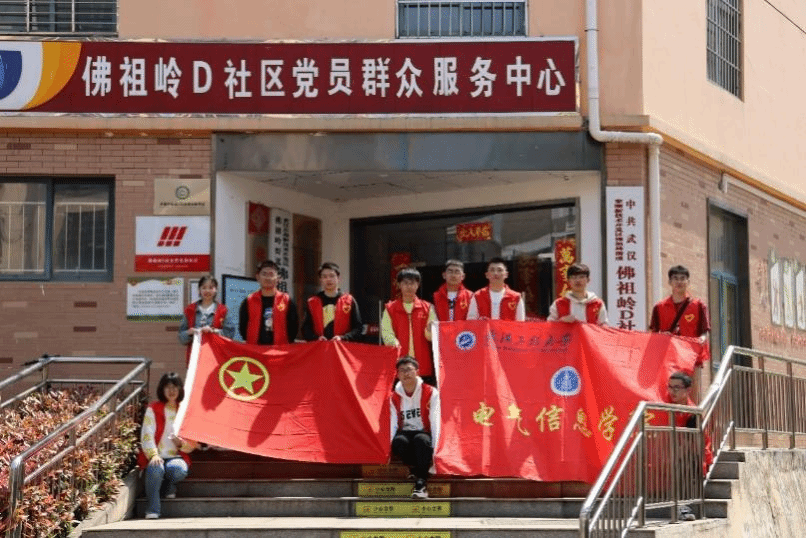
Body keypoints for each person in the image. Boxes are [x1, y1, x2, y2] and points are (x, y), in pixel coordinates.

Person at [139, 372, 197, 519]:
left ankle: (168, 485)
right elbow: (147, 434)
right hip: (157, 456)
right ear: (162, 389)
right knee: (156, 468)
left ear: (180, 389)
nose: (172, 391)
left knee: (179, 470)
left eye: (175, 387)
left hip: (175, 457)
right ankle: (153, 509)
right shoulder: (154, 408)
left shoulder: (184, 410)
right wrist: (153, 455)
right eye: (168, 387)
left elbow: (193, 443)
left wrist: (181, 444)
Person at [664, 371, 714, 522]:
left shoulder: (693, 414)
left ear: (688, 390)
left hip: (696, 454)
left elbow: (691, 445)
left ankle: (683, 508)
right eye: (670, 387)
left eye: (677, 388)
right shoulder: (666, 404)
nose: (672, 391)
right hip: (675, 451)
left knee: (683, 464)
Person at [390, 357, 440, 499]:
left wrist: (437, 448)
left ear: (417, 371)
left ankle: (421, 483)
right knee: (399, 442)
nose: (406, 373)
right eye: (402, 370)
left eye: (409, 369)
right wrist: (387, 446)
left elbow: (435, 419)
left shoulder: (430, 392)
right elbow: (392, 422)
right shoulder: (393, 396)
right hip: (405, 432)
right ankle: (415, 469)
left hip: (424, 431)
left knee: (421, 440)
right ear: (397, 374)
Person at [381, 268, 438, 386]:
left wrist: (430, 330)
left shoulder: (428, 308)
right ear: (399, 285)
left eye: (412, 283)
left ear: (418, 285)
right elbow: (387, 333)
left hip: (422, 363)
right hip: (399, 363)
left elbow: (432, 336)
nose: (409, 286)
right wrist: (395, 344)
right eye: (405, 283)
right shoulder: (390, 308)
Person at [178, 275, 236, 364]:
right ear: (199, 290)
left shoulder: (223, 310)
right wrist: (190, 332)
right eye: (204, 288)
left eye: (211, 288)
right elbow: (181, 338)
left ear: (216, 290)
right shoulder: (189, 310)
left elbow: (230, 334)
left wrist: (213, 331)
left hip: (216, 357)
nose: (207, 291)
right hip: (195, 358)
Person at [239, 260, 299, 345]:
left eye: (271, 274)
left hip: (279, 349)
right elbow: (243, 328)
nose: (268, 278)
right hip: (255, 349)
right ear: (258, 277)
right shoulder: (249, 301)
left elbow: (293, 328)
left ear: (278, 278)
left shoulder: (286, 300)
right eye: (264, 274)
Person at [301, 262, 363, 342]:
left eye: (332, 276)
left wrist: (343, 338)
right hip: (320, 347)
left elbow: (358, 328)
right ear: (320, 280)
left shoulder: (349, 301)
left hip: (342, 347)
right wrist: (316, 338)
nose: (328, 279)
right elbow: (305, 329)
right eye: (324, 277)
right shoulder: (312, 302)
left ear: (338, 278)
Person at [650, 265, 710, 343]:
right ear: (669, 282)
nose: (679, 282)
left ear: (688, 282)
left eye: (682, 279)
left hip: (691, 349)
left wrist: (702, 339)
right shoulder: (659, 307)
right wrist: (661, 336)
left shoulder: (699, 306)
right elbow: (653, 334)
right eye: (675, 278)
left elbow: (705, 332)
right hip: (668, 349)